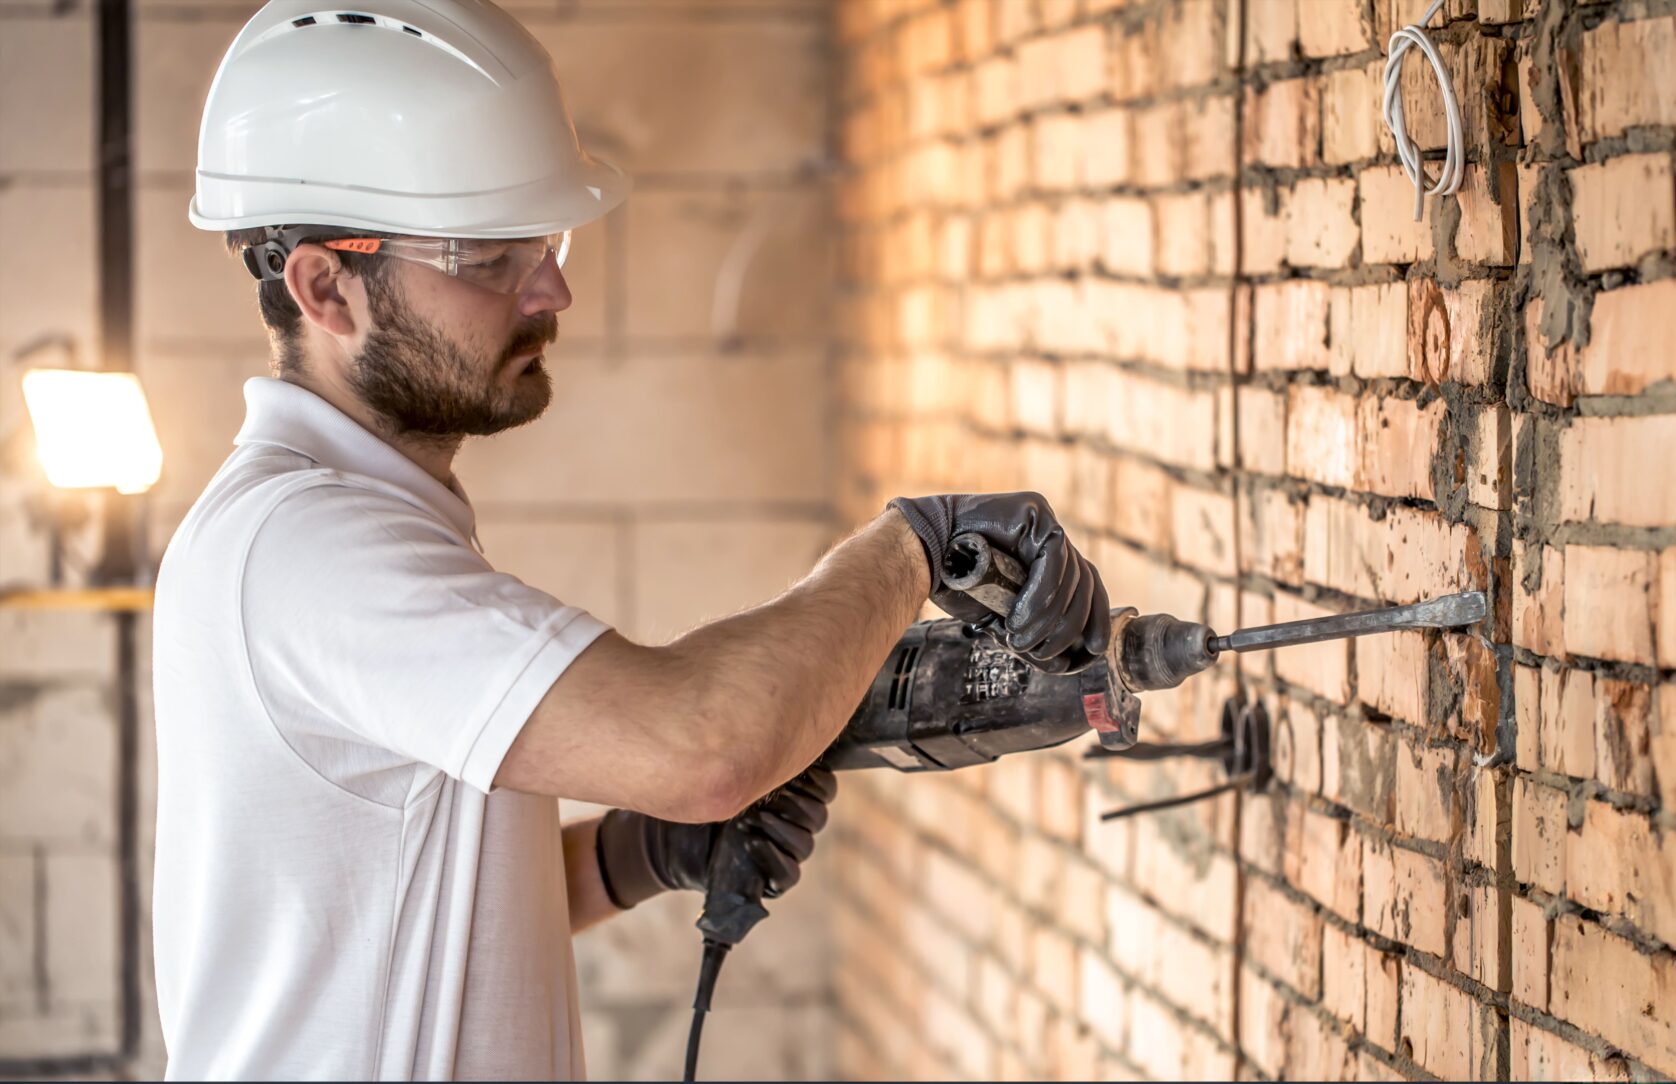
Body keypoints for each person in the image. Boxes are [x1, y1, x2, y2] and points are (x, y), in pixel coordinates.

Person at [149, 2, 1111, 1077]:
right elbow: (697, 746)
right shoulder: (308, 548)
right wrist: (915, 547)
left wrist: (635, 854)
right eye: (487, 253)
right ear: (326, 287)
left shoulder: (330, 527)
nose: (554, 288)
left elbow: (391, 915)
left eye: (547, 241)